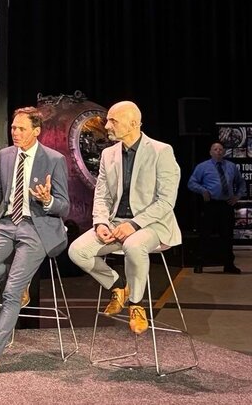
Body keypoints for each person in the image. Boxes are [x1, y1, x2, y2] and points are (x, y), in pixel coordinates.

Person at [0, 106, 70, 377]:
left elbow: (64, 206)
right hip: (8, 224)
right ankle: (19, 280)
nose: (15, 133)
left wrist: (47, 200)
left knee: (10, 295)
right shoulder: (6, 156)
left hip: (37, 228)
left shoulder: (54, 159)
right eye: (13, 128)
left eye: (21, 129)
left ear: (36, 131)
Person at [68, 101, 181, 335]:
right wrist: (100, 223)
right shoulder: (108, 154)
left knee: (133, 244)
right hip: (116, 222)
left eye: (112, 121)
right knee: (77, 251)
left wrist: (134, 224)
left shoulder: (162, 151)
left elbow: (166, 201)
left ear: (132, 124)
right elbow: (101, 195)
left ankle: (137, 305)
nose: (106, 125)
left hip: (152, 224)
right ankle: (118, 286)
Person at [188, 142, 246, 273]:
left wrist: (237, 196)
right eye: (215, 149)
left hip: (226, 205)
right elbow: (191, 182)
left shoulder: (231, 167)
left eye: (220, 149)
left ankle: (229, 265)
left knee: (227, 236)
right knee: (205, 235)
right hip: (211, 205)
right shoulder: (203, 167)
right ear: (210, 152)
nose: (218, 151)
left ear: (224, 152)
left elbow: (241, 183)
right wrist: (203, 190)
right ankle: (199, 263)